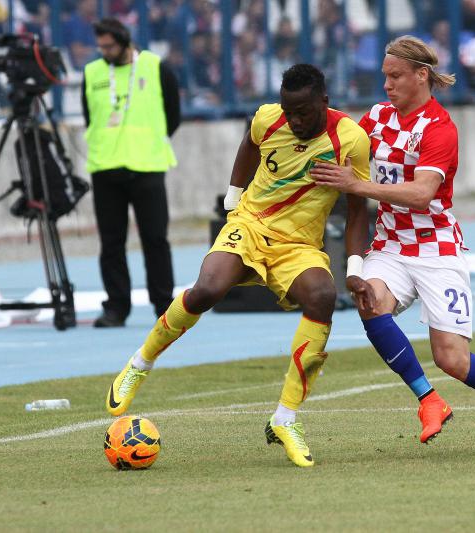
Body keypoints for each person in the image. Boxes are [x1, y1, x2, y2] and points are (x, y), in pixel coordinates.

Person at [105, 64, 372, 468]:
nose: (294, 120)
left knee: (321, 297)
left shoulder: (351, 140)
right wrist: (233, 198)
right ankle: (139, 364)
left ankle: (285, 419)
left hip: (297, 244)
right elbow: (250, 142)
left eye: (303, 112)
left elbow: (357, 209)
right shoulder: (269, 118)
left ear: (324, 103)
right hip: (250, 225)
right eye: (289, 111)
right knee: (207, 290)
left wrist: (355, 267)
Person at [310, 35, 475, 453]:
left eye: (395, 76)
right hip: (390, 245)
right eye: (384, 76)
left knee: (453, 359)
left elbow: (423, 192)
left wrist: (359, 184)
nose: (386, 85)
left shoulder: (439, 128)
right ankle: (429, 399)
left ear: (421, 75)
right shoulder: (377, 117)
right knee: (370, 301)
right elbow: (339, 131)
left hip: (437, 248)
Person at [81, 17, 181, 327]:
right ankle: (116, 307)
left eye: (109, 46)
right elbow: (90, 117)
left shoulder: (155, 66)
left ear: (125, 42)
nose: (104, 51)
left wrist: (147, 142)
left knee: (155, 239)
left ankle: (164, 306)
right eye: (100, 46)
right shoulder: (92, 71)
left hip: (147, 166)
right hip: (105, 168)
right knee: (111, 243)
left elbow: (173, 115)